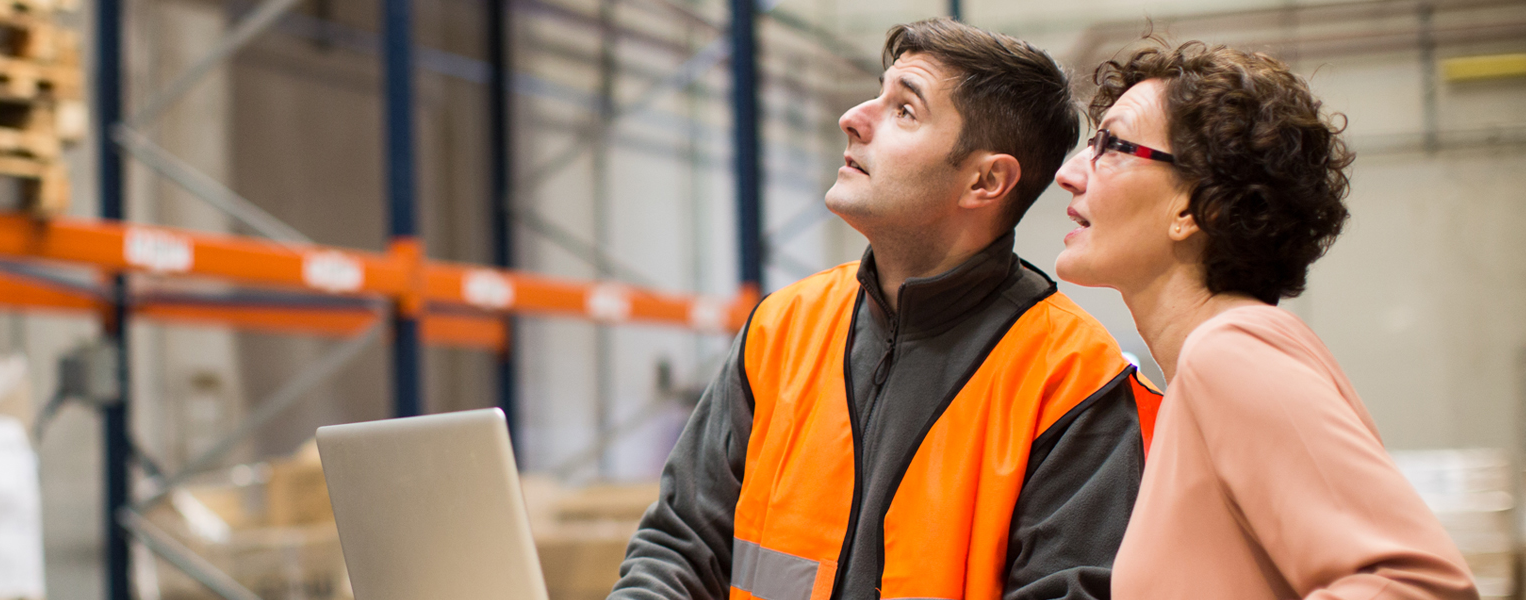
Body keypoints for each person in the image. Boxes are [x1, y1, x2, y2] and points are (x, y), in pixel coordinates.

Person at [609, 19, 1163, 600]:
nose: (853, 117)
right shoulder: (783, 327)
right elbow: (681, 546)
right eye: (879, 93)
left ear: (986, 180)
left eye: (904, 110)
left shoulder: (1071, 377)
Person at [1052, 40, 1478, 599]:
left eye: (1111, 144)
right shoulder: (1204, 370)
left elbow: (1417, 587)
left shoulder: (1231, 353)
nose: (1070, 172)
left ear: (1193, 206)